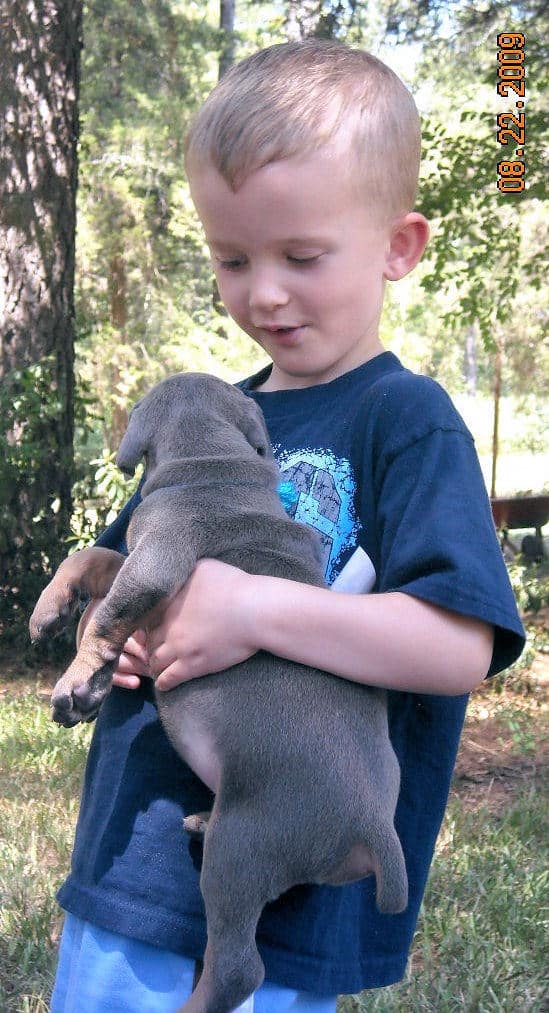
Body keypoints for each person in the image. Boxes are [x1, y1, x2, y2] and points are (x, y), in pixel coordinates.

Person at [51, 40, 525, 1012]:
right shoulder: (211, 414)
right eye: (232, 258)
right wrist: (131, 635)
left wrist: (254, 609)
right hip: (132, 858)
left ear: (398, 246)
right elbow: (136, 573)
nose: (262, 292)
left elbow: (458, 645)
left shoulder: (408, 419)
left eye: (300, 256)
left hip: (280, 898)